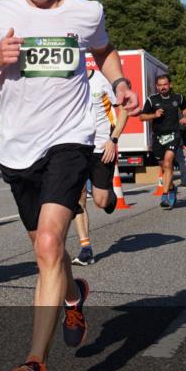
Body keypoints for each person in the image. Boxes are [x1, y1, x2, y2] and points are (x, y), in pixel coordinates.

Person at [0, 0, 139, 371]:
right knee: (46, 253)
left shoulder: (85, 14)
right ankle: (73, 296)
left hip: (70, 141)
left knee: (49, 242)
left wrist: (120, 80)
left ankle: (36, 363)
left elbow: (103, 49)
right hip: (16, 151)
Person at [72, 64, 129, 266]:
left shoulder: (100, 80)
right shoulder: (66, 81)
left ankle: (110, 196)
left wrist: (113, 140)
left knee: (101, 201)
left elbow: (123, 110)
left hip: (102, 147)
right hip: (77, 148)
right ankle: (86, 248)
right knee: (76, 198)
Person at [139, 74, 186, 209]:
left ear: (170, 85)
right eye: (160, 85)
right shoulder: (152, 100)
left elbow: (185, 108)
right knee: (164, 167)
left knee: (168, 163)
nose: (163, 87)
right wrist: (154, 115)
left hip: (174, 135)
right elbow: (142, 117)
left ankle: (165, 195)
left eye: (165, 85)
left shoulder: (178, 98)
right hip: (158, 138)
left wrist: (185, 117)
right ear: (157, 86)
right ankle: (172, 188)